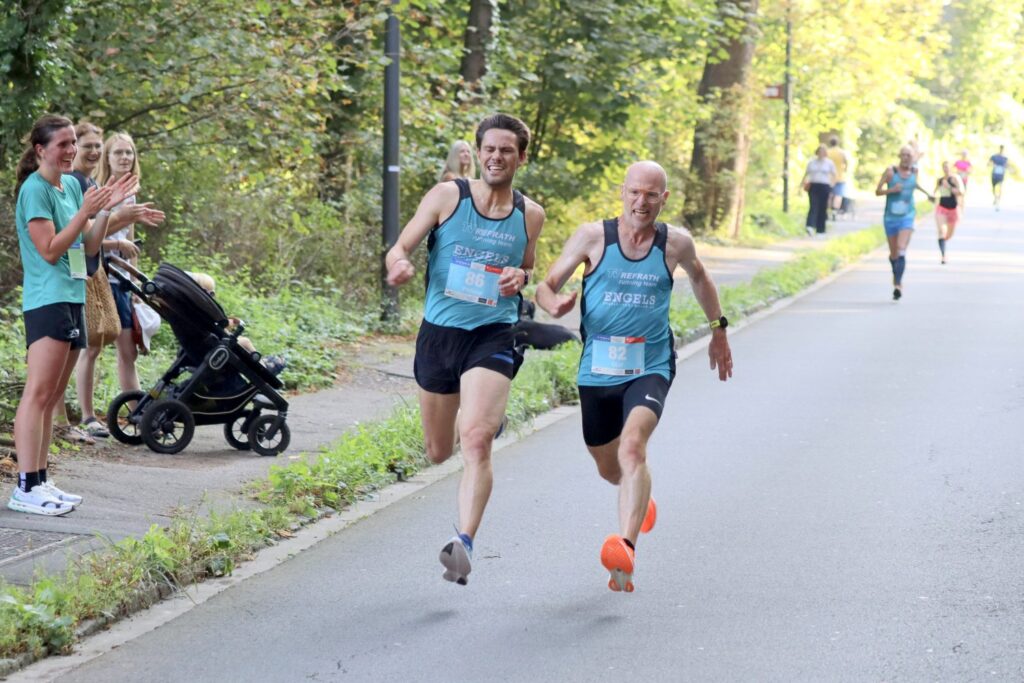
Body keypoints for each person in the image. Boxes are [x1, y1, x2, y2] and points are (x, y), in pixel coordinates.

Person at [536, 161, 733, 593]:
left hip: (651, 363)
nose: (641, 202)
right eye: (634, 193)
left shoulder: (675, 243)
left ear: (664, 199)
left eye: (651, 195)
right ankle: (638, 497)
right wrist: (552, 304)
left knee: (633, 448)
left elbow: (700, 277)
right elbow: (546, 284)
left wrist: (719, 329)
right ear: (622, 192)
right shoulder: (592, 237)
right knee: (612, 470)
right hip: (597, 369)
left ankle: (625, 548)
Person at [385, 113, 545, 586]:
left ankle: (464, 544)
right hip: (440, 335)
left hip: (493, 333)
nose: (496, 157)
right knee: (438, 450)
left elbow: (526, 267)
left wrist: (521, 277)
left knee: (475, 439)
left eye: (506, 151)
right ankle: (474, 414)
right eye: (489, 149)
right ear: (478, 152)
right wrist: (399, 267)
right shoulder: (447, 196)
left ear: (521, 156)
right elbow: (399, 248)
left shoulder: (529, 214)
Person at [11, 114, 138, 515]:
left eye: (72, 143)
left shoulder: (68, 186)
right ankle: (25, 486)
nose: (70, 151)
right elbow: (49, 250)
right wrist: (86, 210)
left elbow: (86, 248)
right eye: (62, 144)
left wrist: (103, 212)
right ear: (40, 150)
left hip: (72, 295)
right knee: (38, 393)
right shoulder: (35, 190)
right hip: (46, 299)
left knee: (52, 398)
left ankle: (42, 478)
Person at [75, 132, 164, 437]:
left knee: (129, 351)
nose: (125, 158)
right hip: (100, 278)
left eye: (129, 153)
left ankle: (137, 413)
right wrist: (117, 244)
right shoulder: (98, 190)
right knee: (93, 347)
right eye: (118, 153)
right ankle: (87, 417)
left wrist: (137, 283)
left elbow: (131, 241)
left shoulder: (131, 192)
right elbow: (89, 235)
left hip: (123, 280)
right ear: (107, 158)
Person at [875, 146, 934, 300]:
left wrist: (928, 194)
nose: (907, 157)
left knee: (901, 248)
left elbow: (915, 185)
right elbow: (877, 191)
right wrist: (892, 190)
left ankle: (898, 285)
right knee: (894, 253)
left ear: (913, 157)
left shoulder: (914, 172)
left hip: (907, 216)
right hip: (890, 217)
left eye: (909, 155)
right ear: (899, 156)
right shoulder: (890, 172)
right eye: (904, 155)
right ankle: (896, 277)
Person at [933, 162, 964, 265]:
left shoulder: (955, 178)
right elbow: (935, 192)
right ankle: (943, 255)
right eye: (944, 167)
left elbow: (961, 192)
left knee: (948, 235)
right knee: (941, 231)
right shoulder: (940, 180)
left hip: (953, 209)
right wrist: (932, 197)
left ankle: (944, 242)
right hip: (941, 208)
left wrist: (949, 187)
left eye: (947, 167)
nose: (946, 169)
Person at [801, 145, 836, 236]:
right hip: (813, 185)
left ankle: (821, 229)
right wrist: (802, 183)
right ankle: (810, 226)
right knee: (813, 205)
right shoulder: (812, 162)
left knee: (822, 207)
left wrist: (832, 185)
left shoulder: (829, 163)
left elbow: (834, 175)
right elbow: (806, 173)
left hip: (824, 186)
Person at [826, 136, 850, 214]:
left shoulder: (827, 152)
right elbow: (846, 162)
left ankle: (828, 209)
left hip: (829, 177)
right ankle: (834, 210)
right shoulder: (842, 152)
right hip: (840, 176)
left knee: (829, 194)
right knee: (838, 195)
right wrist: (845, 170)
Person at [989, 145, 1009, 210]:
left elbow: (1007, 165)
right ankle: (995, 197)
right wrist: (993, 165)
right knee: (993, 187)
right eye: (1001, 148)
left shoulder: (1005, 158)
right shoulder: (994, 156)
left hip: (1001, 175)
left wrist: (1007, 168)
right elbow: (989, 163)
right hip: (994, 174)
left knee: (1000, 187)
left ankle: (998, 202)